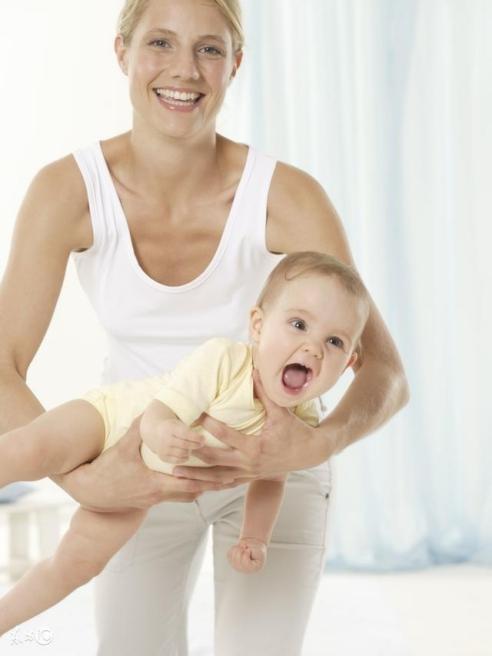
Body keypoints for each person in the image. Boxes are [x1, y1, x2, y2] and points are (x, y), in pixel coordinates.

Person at [0, 0, 409, 653]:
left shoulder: (288, 196)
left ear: (235, 63)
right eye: (160, 43)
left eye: (209, 49)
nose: (184, 70)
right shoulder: (67, 191)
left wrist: (312, 446)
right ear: (122, 52)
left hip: (270, 468)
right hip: (138, 456)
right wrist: (83, 478)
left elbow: (384, 370)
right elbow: (4, 364)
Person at [0, 252, 370, 636]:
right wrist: (161, 432)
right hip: (109, 421)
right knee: (29, 450)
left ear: (347, 365)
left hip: (137, 487)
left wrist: (254, 537)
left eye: (334, 341)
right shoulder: (225, 359)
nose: (313, 348)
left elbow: (272, 480)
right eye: (298, 325)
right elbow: (158, 413)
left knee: (77, 565)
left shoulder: (302, 423)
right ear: (258, 326)